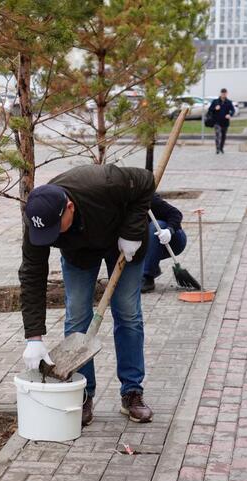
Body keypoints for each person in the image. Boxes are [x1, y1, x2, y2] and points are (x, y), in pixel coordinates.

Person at [19, 164, 155, 427]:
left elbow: (145, 181)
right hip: (79, 254)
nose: (50, 237)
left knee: (127, 313)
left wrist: (133, 232)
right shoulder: (38, 220)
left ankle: (132, 392)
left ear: (69, 207)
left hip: (123, 244)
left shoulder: (104, 183)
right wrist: (33, 337)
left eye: (55, 228)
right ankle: (82, 393)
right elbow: (32, 276)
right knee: (77, 316)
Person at [142, 194, 187, 293]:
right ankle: (150, 265)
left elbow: (176, 214)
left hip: (173, 239)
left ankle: (147, 276)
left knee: (156, 226)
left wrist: (169, 230)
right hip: (144, 243)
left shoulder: (148, 199)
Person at [207, 88, 236, 154]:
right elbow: (210, 110)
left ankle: (221, 148)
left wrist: (230, 114)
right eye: (222, 93)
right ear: (220, 93)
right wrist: (215, 108)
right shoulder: (215, 101)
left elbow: (233, 110)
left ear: (226, 94)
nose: (223, 94)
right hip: (217, 121)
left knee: (223, 136)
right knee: (217, 134)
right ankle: (217, 149)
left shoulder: (229, 102)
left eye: (225, 93)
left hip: (225, 122)